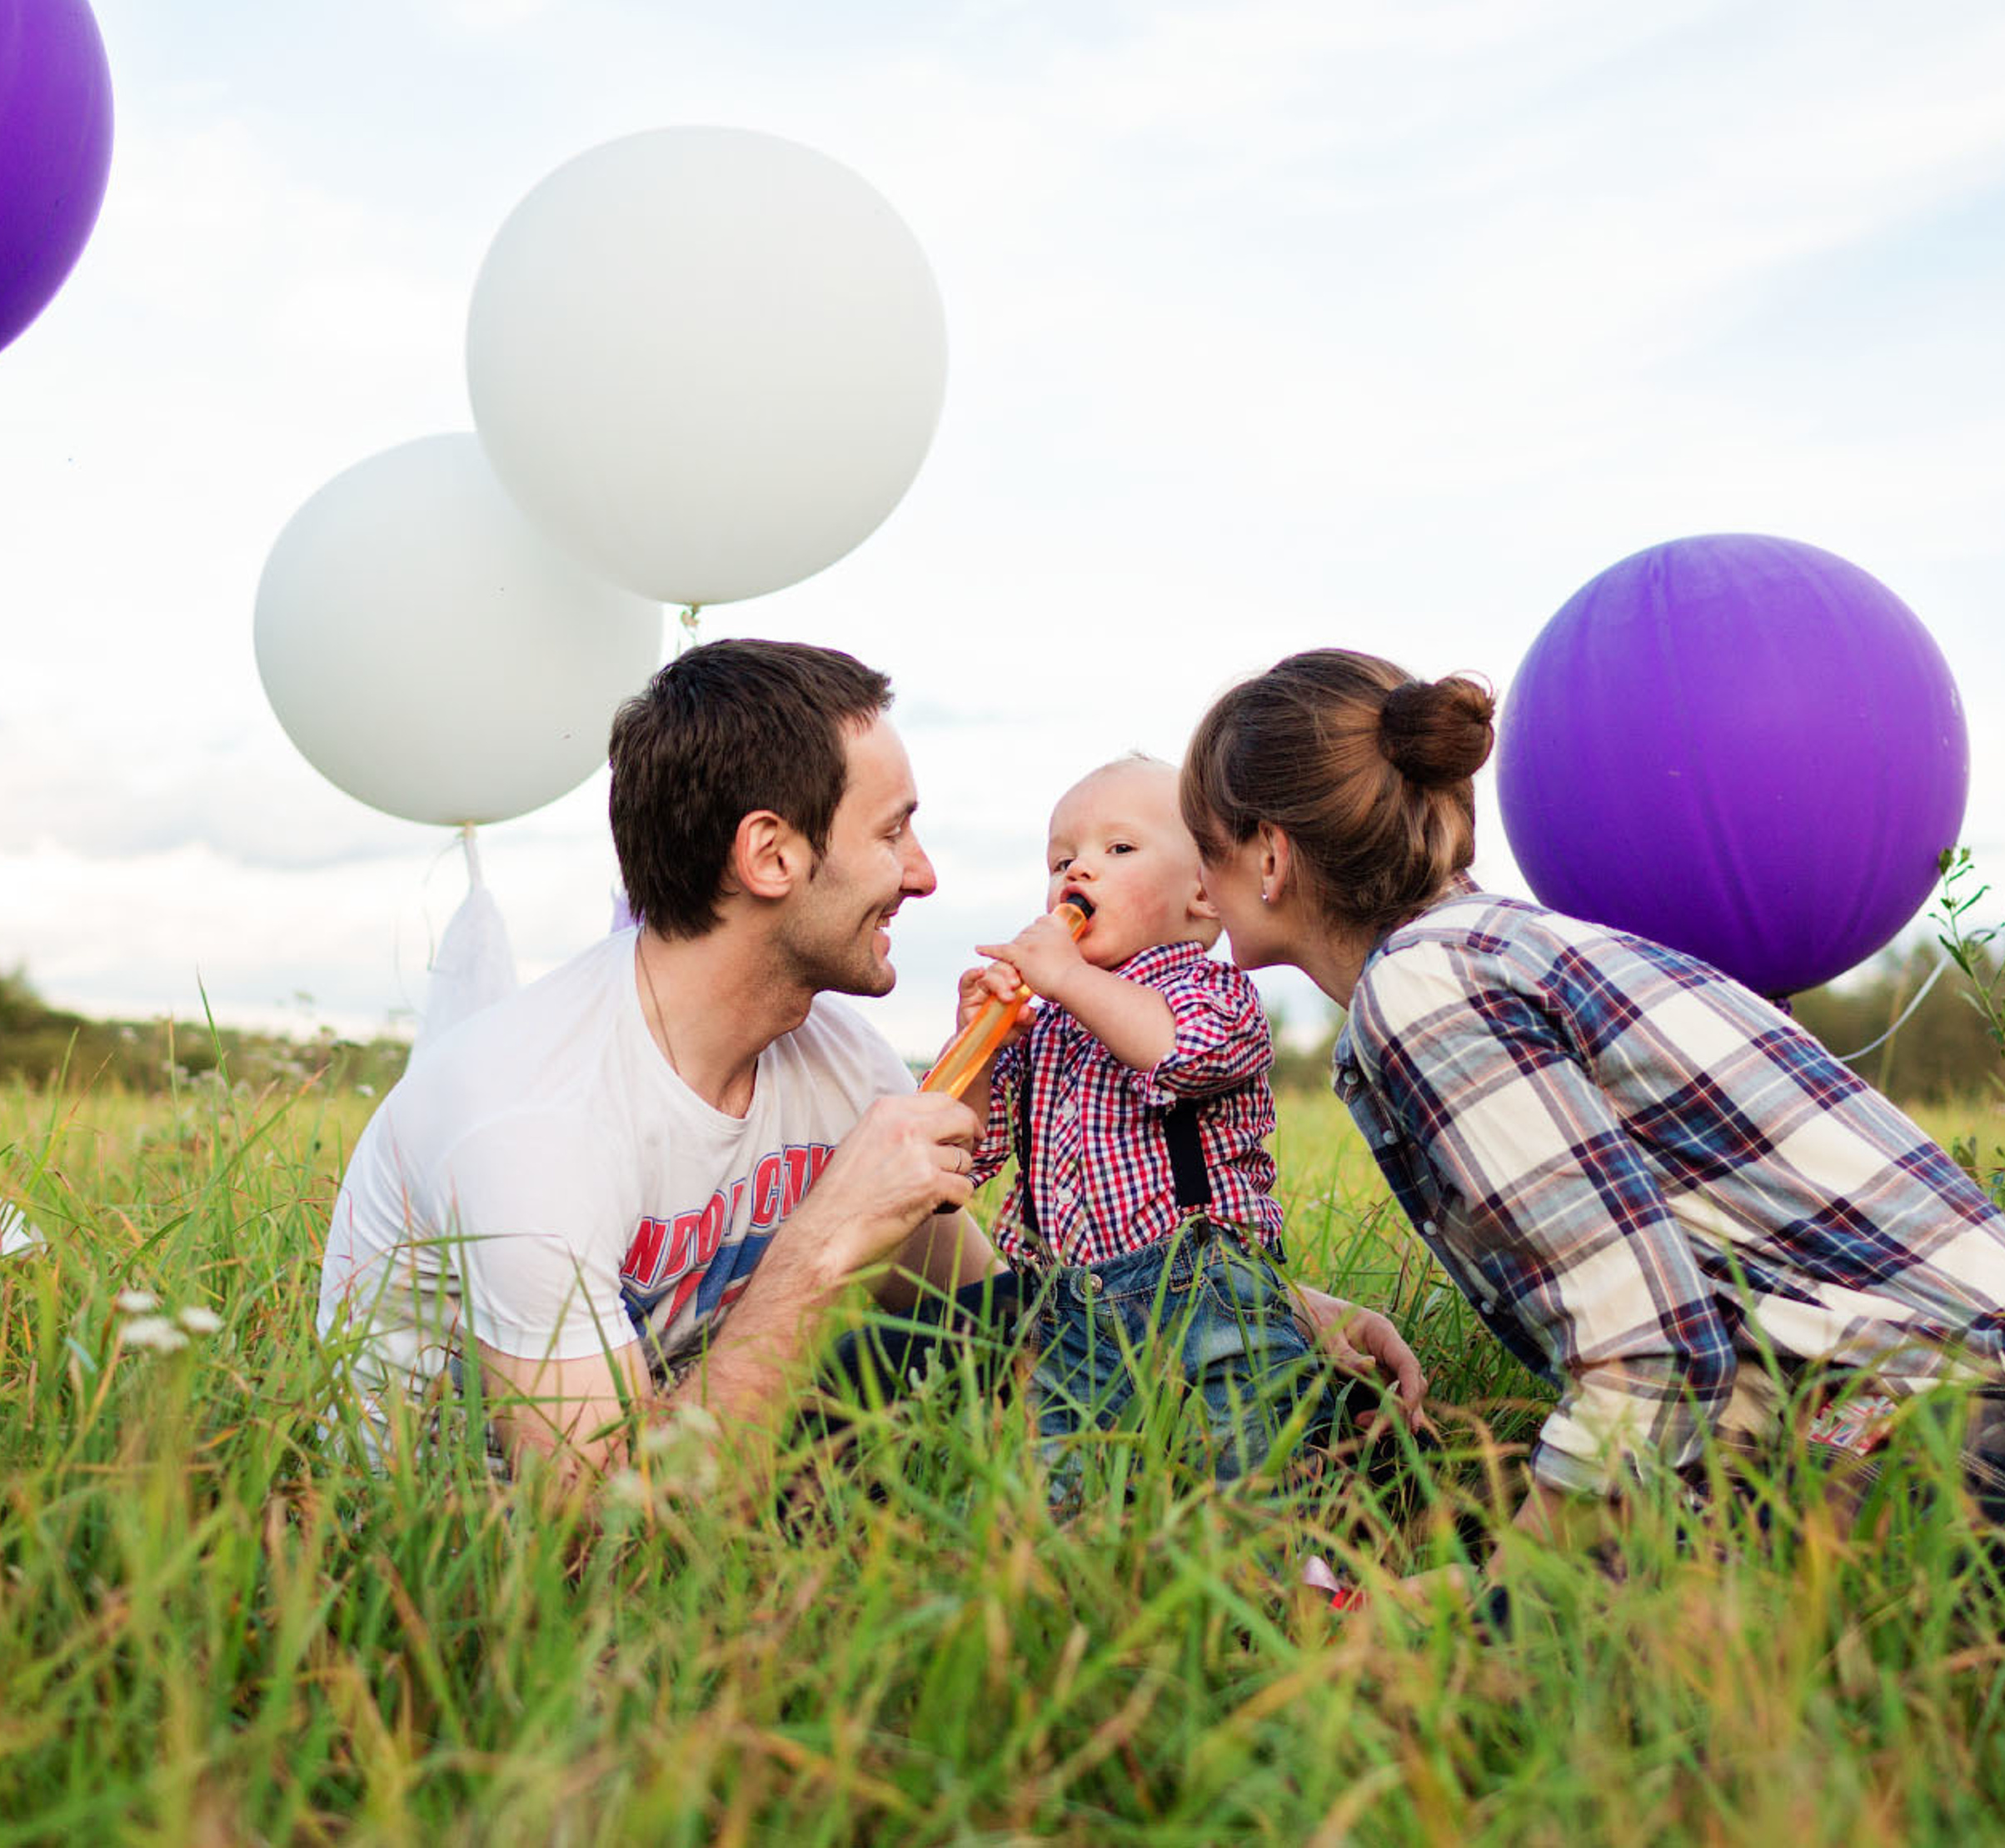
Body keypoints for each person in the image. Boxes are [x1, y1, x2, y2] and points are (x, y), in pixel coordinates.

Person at [1179, 647, 2005, 1562]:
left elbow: (1648, 1348)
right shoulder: (1492, 948)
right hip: (1904, 1394)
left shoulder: (1424, 990)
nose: (1194, 884)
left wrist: (1516, 1597)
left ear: (1267, 853)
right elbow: (1704, 1342)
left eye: (1200, 845)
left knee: (1531, 1637)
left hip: (1947, 1419)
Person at [319, 639, 996, 1488]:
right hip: (454, 1572)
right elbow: (598, 1526)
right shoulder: (537, 1121)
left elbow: (985, 1325)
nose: (922, 873)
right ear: (770, 856)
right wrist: (826, 1238)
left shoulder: (844, 1066)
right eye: (893, 830)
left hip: (702, 1481)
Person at [955, 755, 1422, 1495]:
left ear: (1203, 895)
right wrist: (977, 1045)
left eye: (1119, 849)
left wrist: (1071, 981)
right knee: (1067, 1477)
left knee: (1247, 1455)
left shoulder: (1211, 990)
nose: (1079, 872)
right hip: (1067, 1302)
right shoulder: (1045, 1028)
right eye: (1062, 859)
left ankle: (1303, 1579)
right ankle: (1083, 1587)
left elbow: (1181, 1054)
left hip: (1204, 1285)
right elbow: (965, 1155)